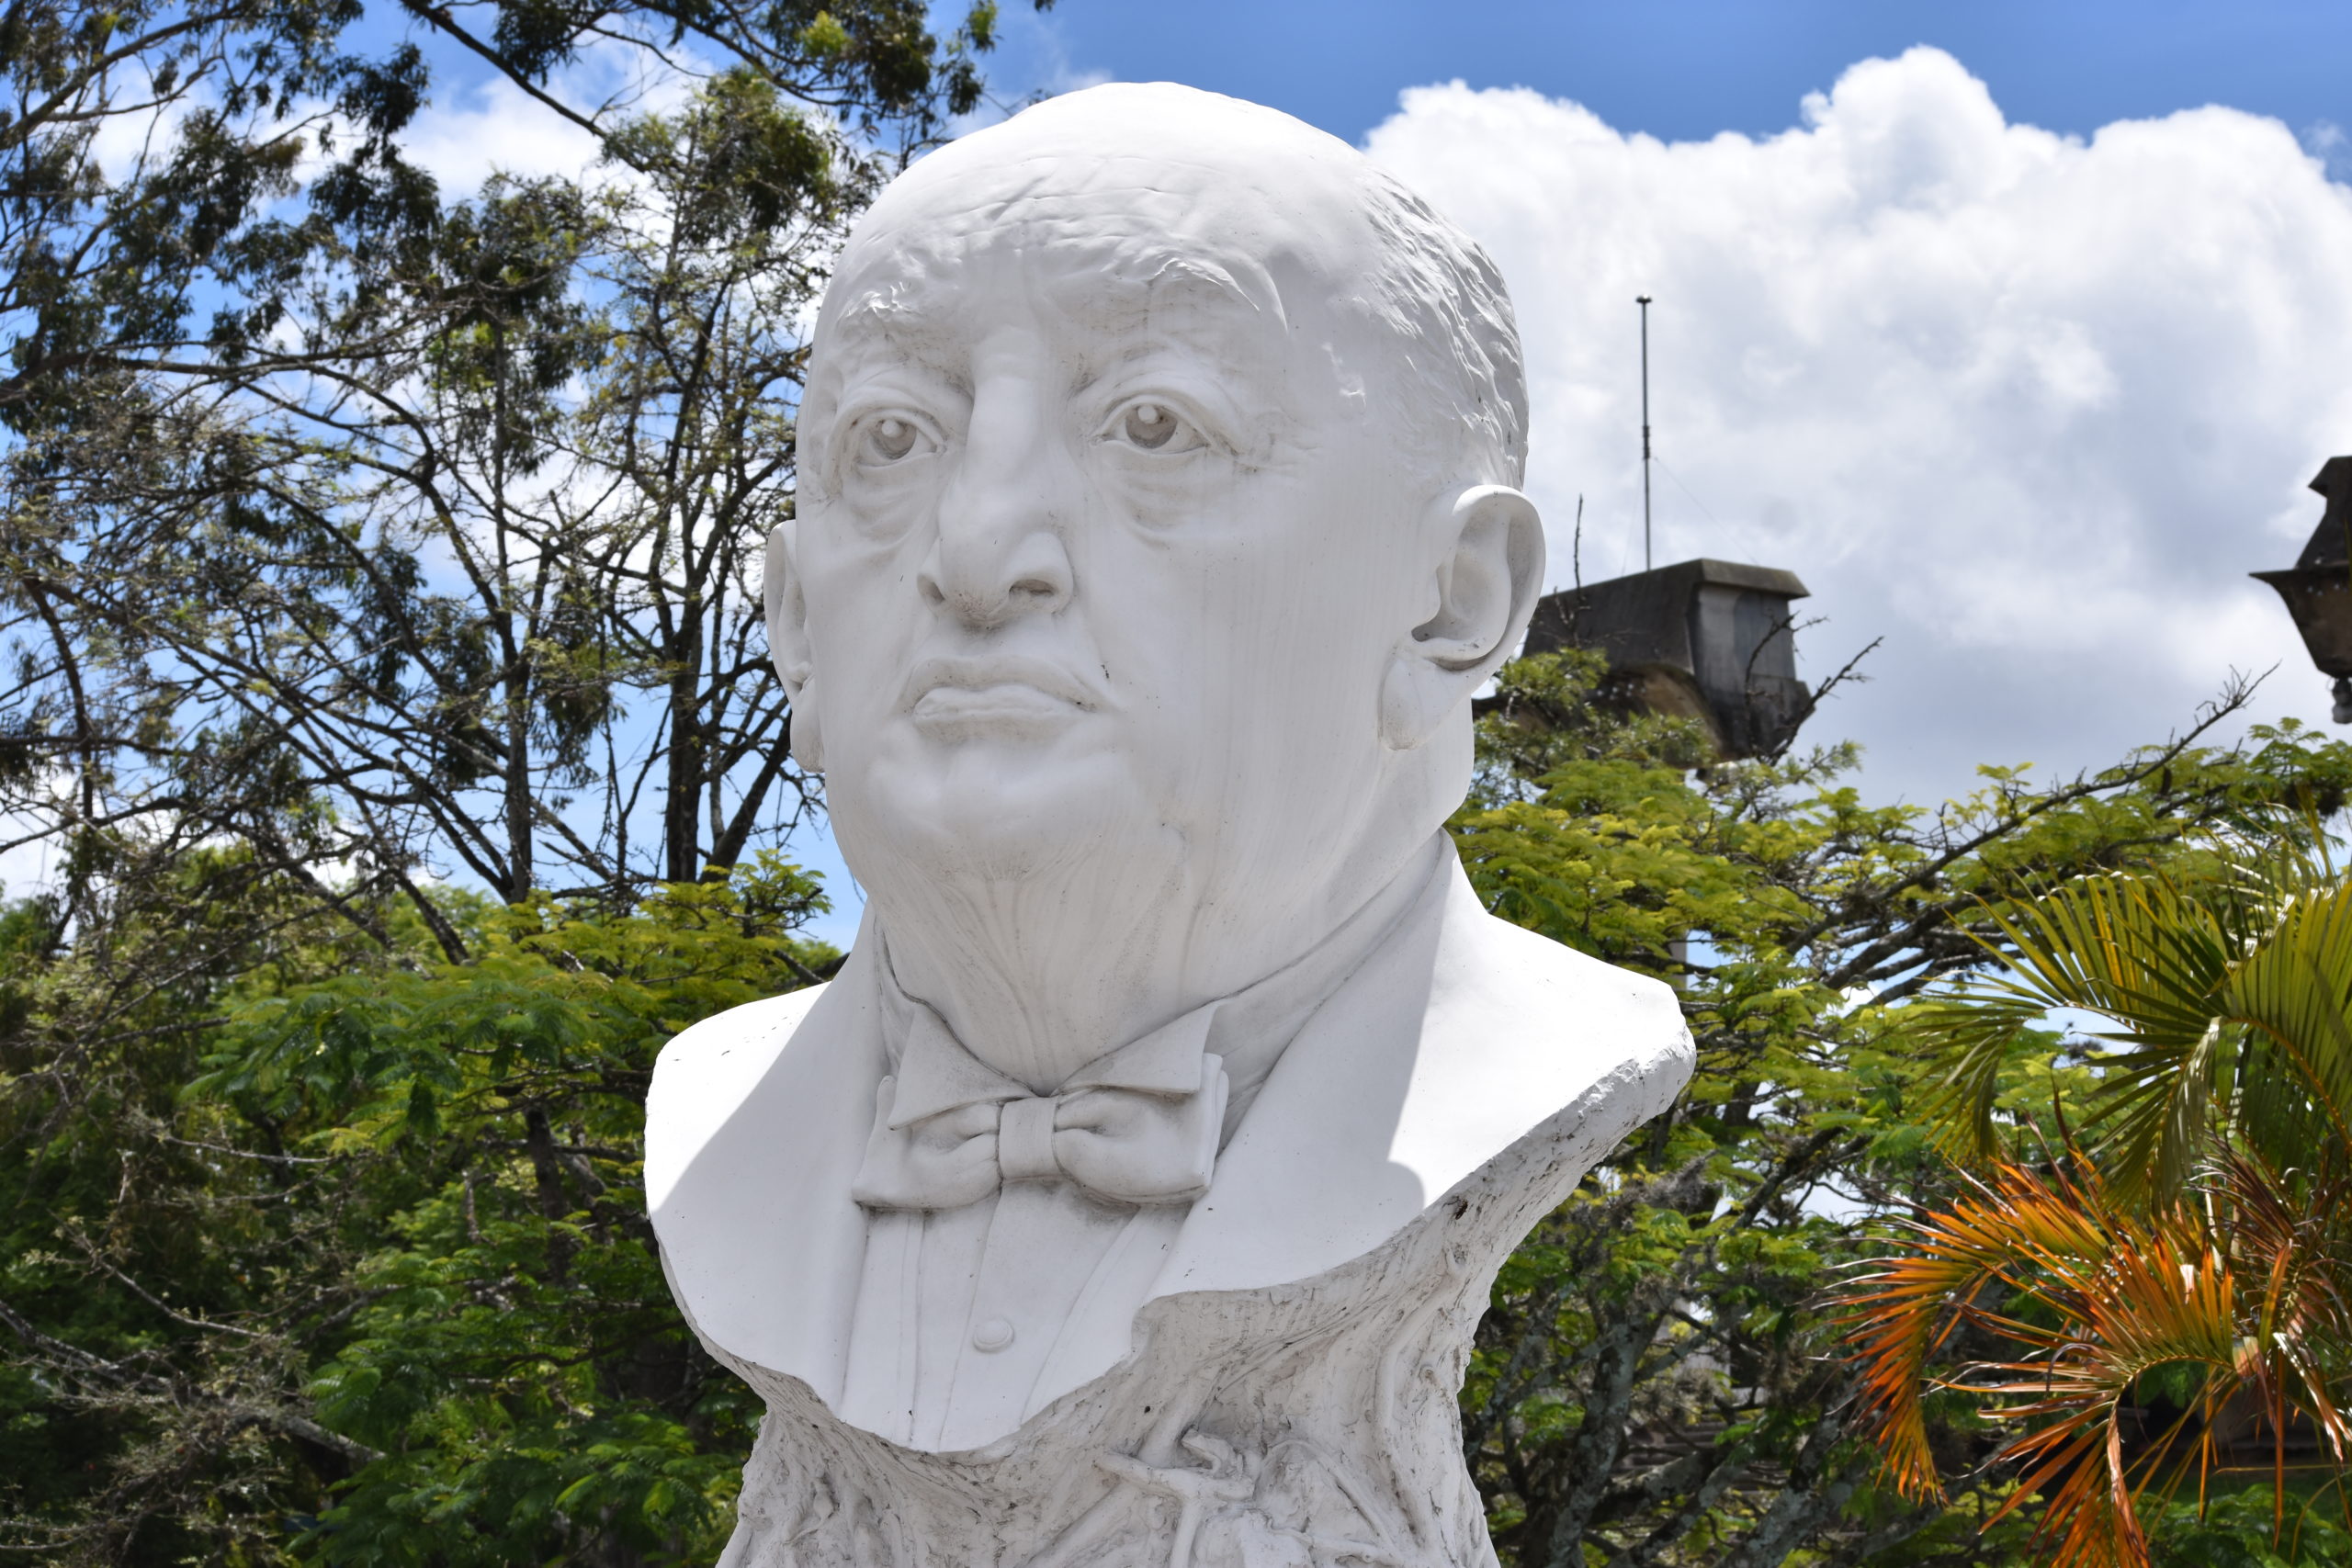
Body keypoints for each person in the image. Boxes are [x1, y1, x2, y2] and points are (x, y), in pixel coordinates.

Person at [646, 82, 1690, 1568]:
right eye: (891, 438)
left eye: (1156, 425)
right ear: (796, 614)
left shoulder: (1544, 1060)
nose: (976, 550)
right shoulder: (713, 1124)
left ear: (1455, 602)